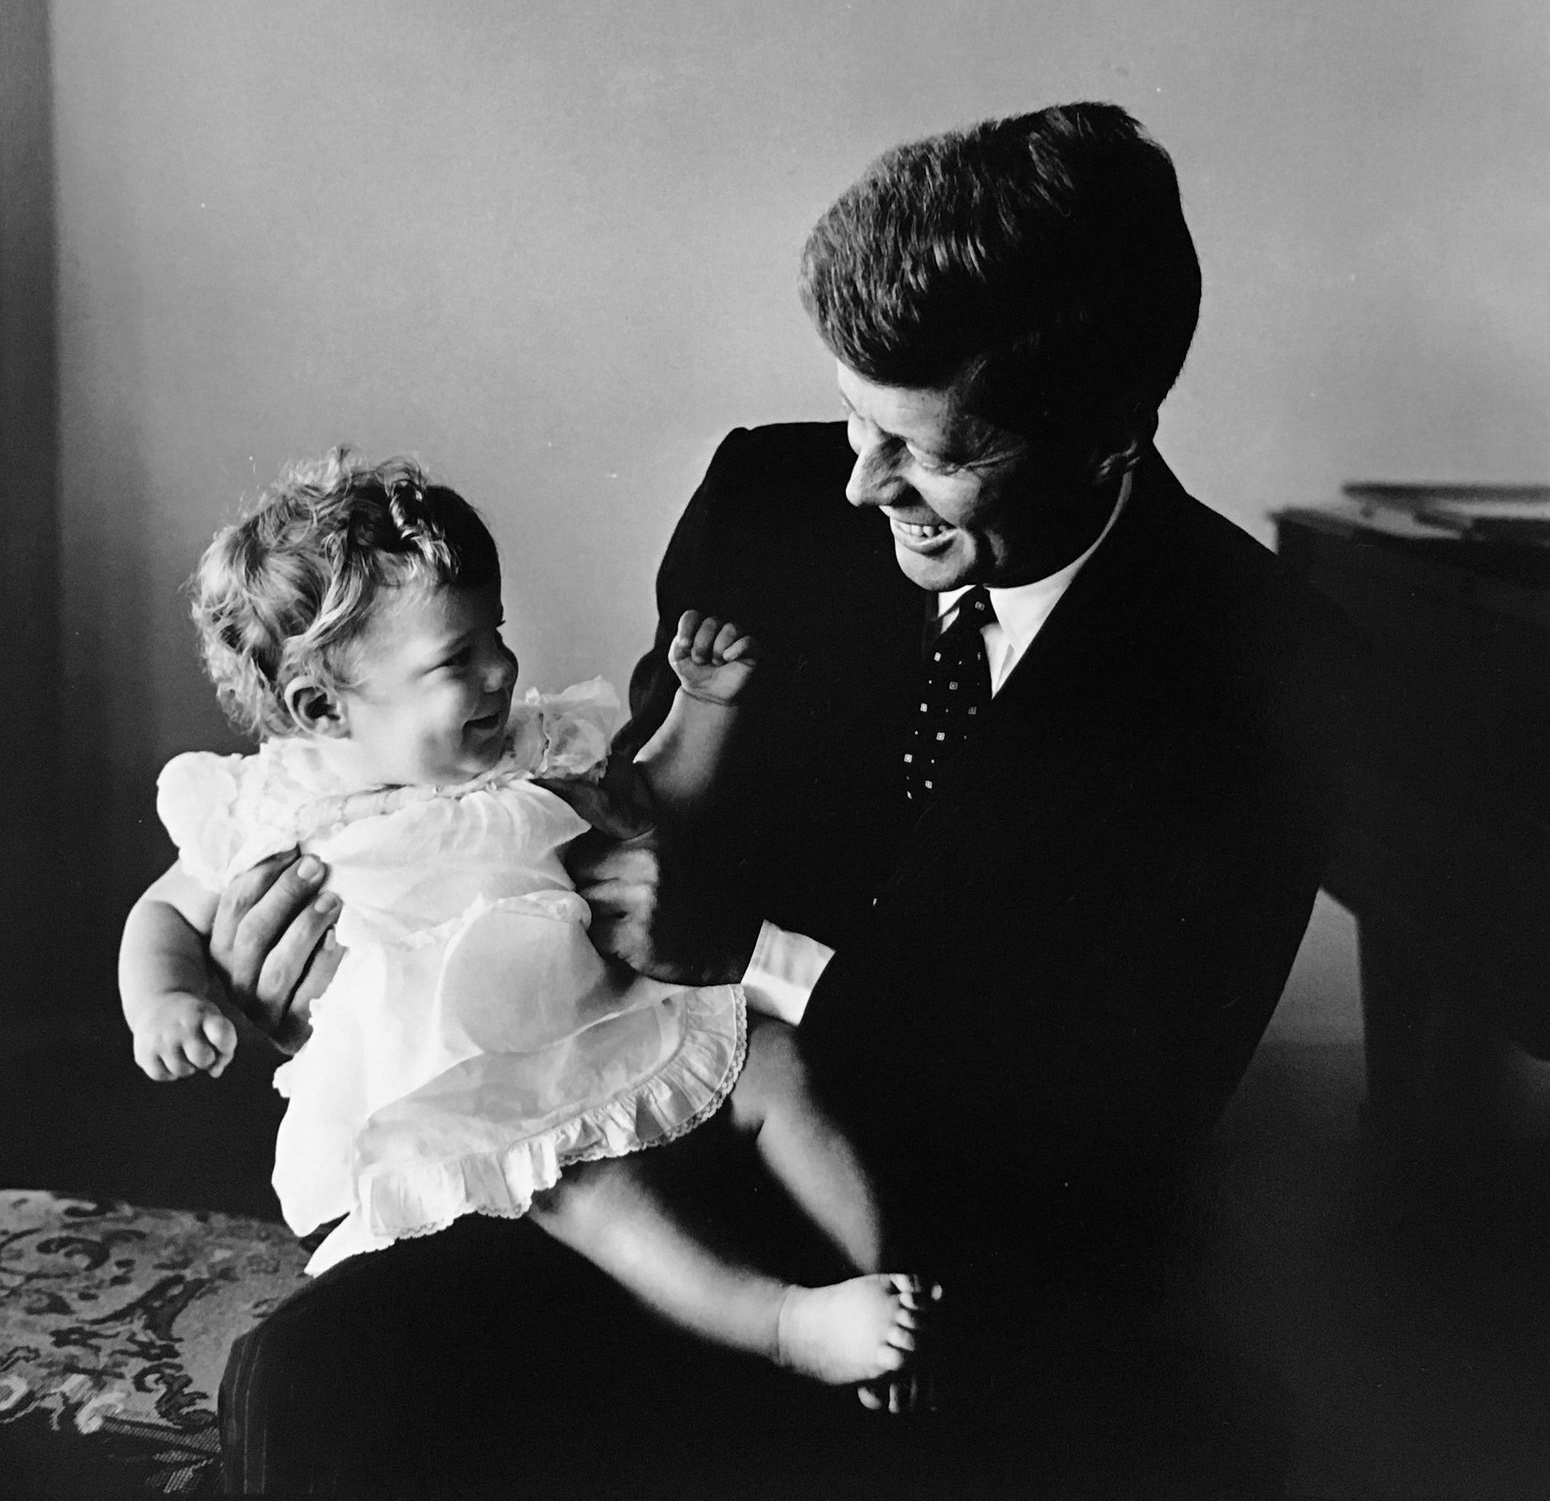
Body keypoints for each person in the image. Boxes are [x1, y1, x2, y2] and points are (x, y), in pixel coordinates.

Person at [210, 103, 1352, 1496]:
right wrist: (352, 975)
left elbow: (1108, 1116)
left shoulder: (1261, 664)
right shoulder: (769, 498)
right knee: (323, 1376)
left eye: (925, 450)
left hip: (975, 1246)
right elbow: (604, 834)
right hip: (662, 1161)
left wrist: (749, 952)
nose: (863, 483)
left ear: (1107, 433)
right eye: (857, 416)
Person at [118, 452, 933, 1400]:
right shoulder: (273, 805)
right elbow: (166, 909)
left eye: (494, 633)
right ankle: (786, 1324)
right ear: (320, 707)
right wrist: (165, 1000)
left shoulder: (529, 749)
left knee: (775, 1062)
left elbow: (652, 801)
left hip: (605, 1015)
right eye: (456, 658)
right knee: (585, 1193)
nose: (502, 667)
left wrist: (705, 707)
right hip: (472, 1094)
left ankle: (895, 1276)